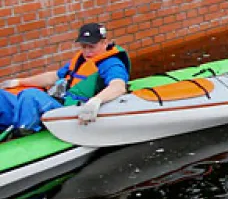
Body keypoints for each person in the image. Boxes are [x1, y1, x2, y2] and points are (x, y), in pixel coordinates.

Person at [1, 23, 131, 131]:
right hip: (58, 100)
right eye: (84, 46)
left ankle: (22, 131)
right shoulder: (82, 59)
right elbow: (54, 76)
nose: (87, 51)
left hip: (71, 110)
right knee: (2, 96)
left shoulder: (112, 64)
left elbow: (118, 86)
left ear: (104, 43)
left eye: (91, 46)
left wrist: (96, 101)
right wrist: (19, 81)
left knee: (30, 95)